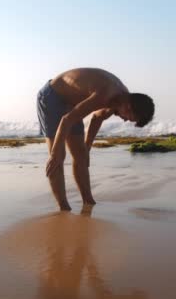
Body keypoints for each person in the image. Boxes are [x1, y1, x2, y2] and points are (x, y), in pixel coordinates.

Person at [36, 68, 155, 210]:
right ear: (128, 107)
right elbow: (66, 120)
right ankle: (64, 207)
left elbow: (97, 118)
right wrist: (55, 153)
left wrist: (87, 148)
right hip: (52, 96)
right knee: (58, 156)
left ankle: (88, 201)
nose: (124, 120)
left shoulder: (120, 99)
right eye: (128, 118)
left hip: (71, 103)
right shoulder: (106, 94)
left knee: (80, 154)